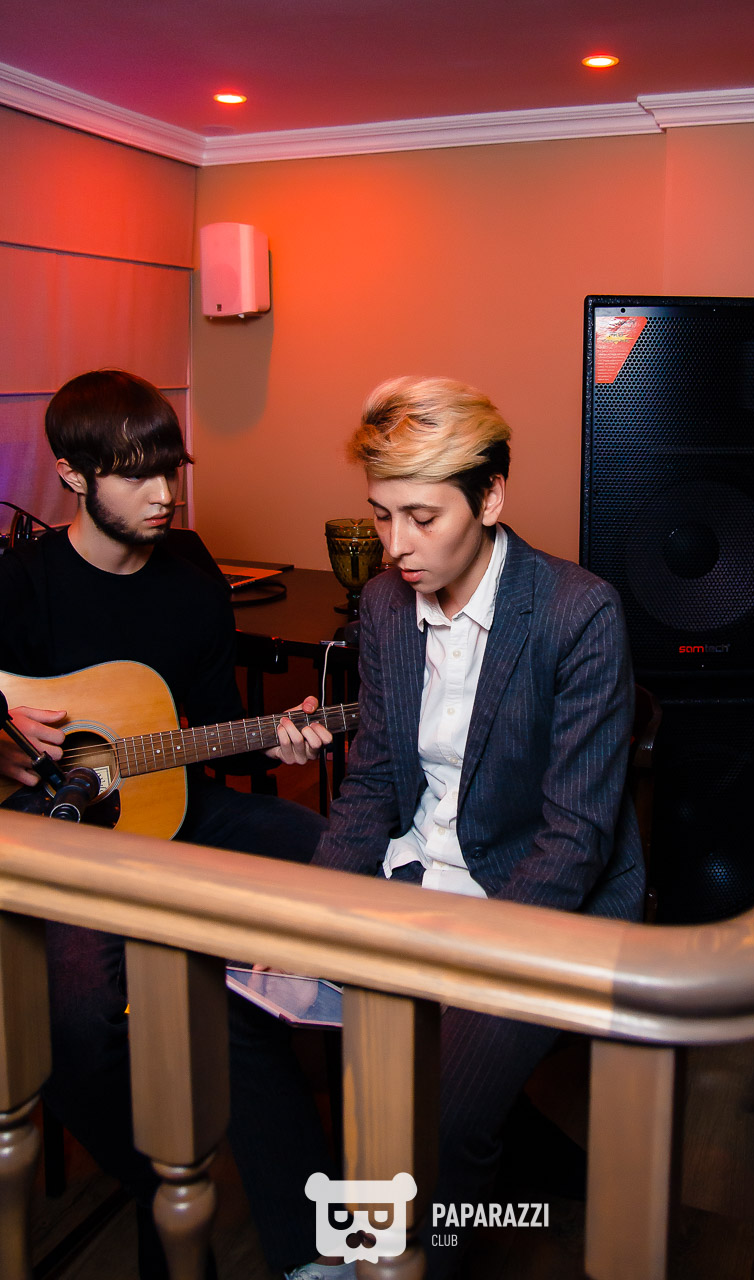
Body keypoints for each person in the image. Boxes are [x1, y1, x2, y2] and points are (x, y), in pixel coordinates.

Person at [286, 375, 644, 1280]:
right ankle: (367, 1243)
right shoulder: (382, 606)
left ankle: (423, 1253)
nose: (395, 546)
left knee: (442, 1109)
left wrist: (469, 965)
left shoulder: (577, 611)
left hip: (534, 892)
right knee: (319, 1035)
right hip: (421, 872)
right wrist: (314, 914)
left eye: (421, 516)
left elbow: (575, 839)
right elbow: (373, 784)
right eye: (381, 516)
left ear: (489, 499)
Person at [0, 369, 334, 1278]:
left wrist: (279, 740)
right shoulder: (21, 583)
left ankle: (325, 1203)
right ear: (72, 476)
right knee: (76, 1022)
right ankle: (161, 1176)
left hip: (176, 805)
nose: (163, 494)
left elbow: (217, 731)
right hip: (58, 839)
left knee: (338, 856)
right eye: (133, 474)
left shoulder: (190, 581)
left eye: (169, 470)